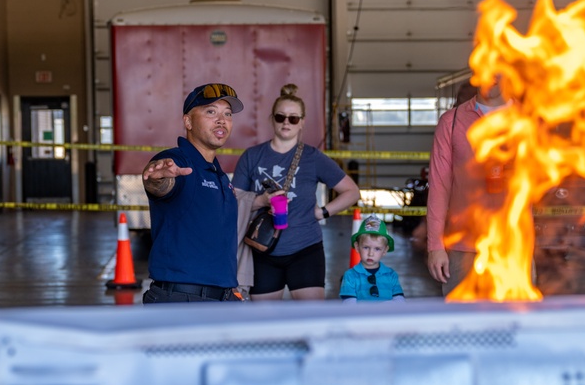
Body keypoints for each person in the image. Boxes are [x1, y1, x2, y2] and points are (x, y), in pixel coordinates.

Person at [234, 84, 360, 301]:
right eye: (280, 116)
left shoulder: (313, 157)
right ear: (271, 119)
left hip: (305, 249)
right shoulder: (251, 156)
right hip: (262, 249)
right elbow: (233, 200)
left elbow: (351, 192)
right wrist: (261, 201)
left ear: (302, 122)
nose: (286, 122)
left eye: (293, 118)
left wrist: (322, 212)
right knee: (265, 327)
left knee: (311, 321)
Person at [142, 83, 245, 303]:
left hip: (221, 299)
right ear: (188, 121)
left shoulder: (219, 174)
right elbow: (160, 183)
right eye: (211, 112)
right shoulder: (178, 162)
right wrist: (158, 177)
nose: (222, 120)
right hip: (181, 300)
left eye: (227, 114)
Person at [426, 80, 508, 295]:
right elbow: (438, 187)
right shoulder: (451, 122)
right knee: (461, 325)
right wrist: (435, 246)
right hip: (462, 248)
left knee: (516, 324)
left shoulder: (526, 121)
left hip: (513, 245)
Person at [340, 216, 405, 303]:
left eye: (377, 249)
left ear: (385, 250)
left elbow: (400, 301)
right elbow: (349, 305)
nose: (371, 253)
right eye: (366, 247)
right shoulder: (350, 276)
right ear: (357, 247)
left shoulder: (391, 275)